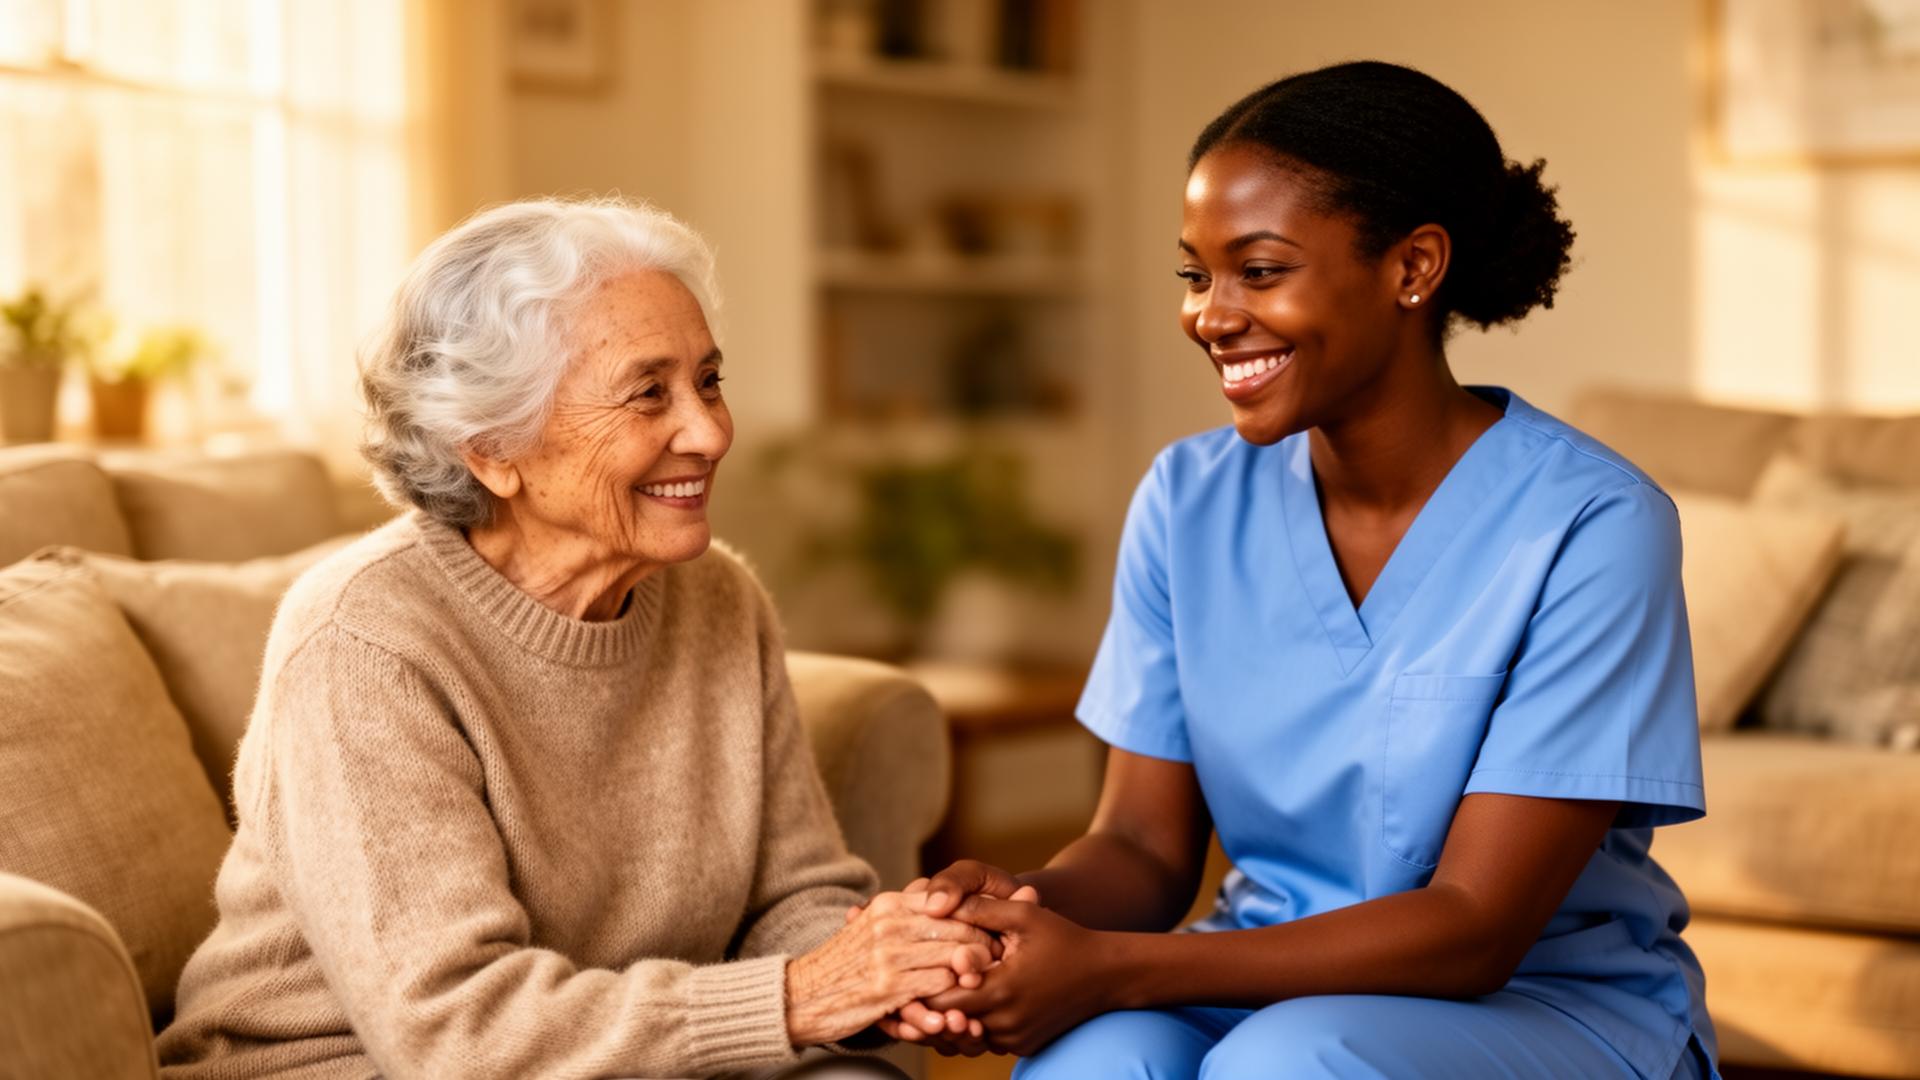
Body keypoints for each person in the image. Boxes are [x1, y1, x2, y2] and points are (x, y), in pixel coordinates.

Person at [884, 61, 1720, 1080]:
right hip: (1252, 978)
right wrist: (1008, 912)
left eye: (1261, 271)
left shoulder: (1593, 525)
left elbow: (1474, 927)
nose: (1210, 315)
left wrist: (1111, 968)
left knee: (1285, 1064)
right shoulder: (1187, 500)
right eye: (1195, 274)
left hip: (1536, 1006)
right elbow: (1143, 854)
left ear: (1413, 267)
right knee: (1095, 1058)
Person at [156, 198, 991, 1079]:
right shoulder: (365, 643)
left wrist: (898, 975)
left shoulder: (718, 601)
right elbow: (455, 1033)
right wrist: (798, 997)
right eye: (648, 393)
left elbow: (799, 893)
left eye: (708, 380)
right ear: (492, 449)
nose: (710, 432)